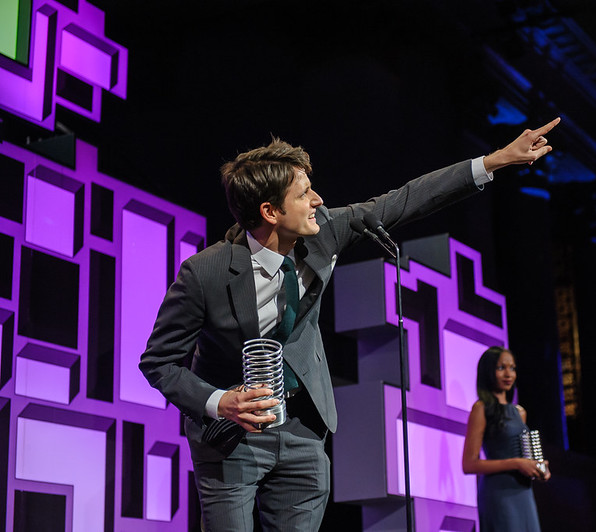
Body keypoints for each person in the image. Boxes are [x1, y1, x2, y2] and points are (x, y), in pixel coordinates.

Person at [139, 117, 560, 531]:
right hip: (231, 438)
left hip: (304, 431)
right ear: (269, 210)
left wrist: (494, 161)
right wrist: (218, 401)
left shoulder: (323, 232)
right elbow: (159, 362)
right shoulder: (205, 273)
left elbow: (405, 200)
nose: (319, 201)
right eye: (304, 194)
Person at [462, 346, 551, 532]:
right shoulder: (481, 408)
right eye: (501, 368)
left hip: (524, 493)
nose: (508, 374)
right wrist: (516, 463)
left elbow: (524, 457)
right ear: (488, 371)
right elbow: (469, 464)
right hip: (499, 494)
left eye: (512, 368)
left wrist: (539, 468)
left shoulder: (520, 413)